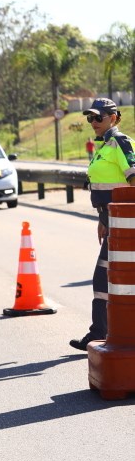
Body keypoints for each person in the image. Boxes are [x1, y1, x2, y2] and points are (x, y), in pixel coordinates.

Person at [70, 98, 135, 351]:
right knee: (111, 281)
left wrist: (124, 223)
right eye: (90, 118)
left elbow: (133, 181)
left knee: (104, 280)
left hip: (125, 227)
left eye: (99, 118)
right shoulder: (103, 145)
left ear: (114, 118)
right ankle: (103, 334)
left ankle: (99, 334)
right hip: (112, 224)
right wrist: (102, 220)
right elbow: (102, 187)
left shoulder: (119, 141)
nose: (94, 122)